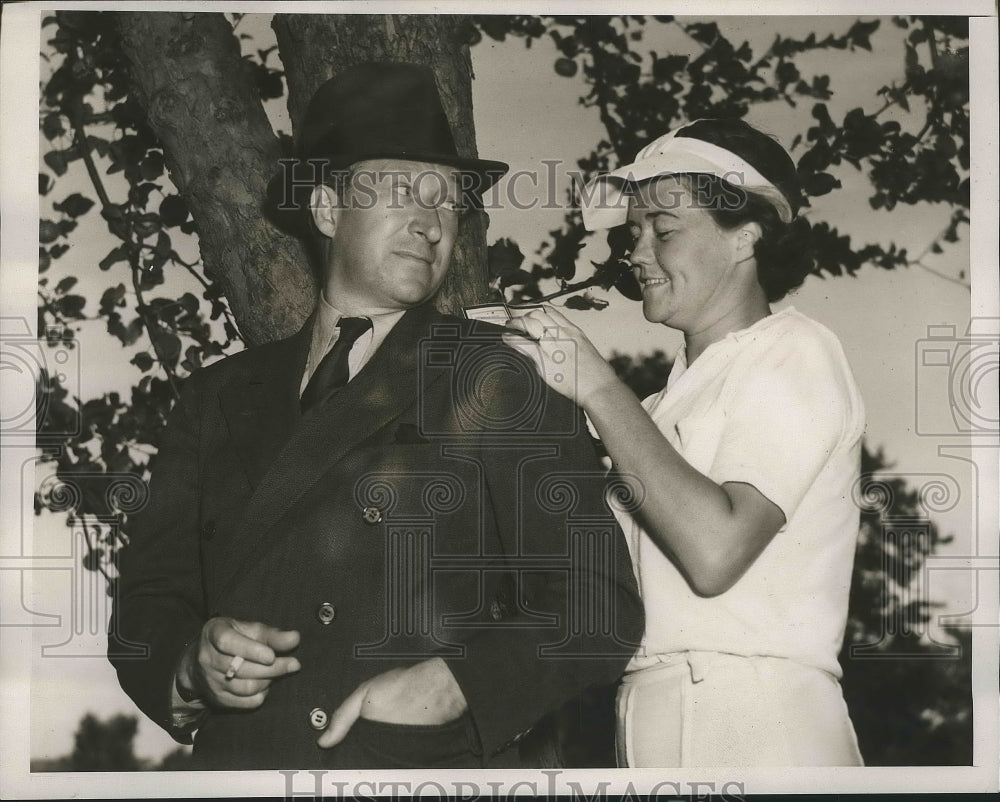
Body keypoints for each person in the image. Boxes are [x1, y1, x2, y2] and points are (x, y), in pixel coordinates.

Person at [109, 62, 643, 770]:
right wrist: (189, 666)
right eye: (399, 192)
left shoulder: (495, 373)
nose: (429, 223)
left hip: (417, 766)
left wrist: (457, 685)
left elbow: (597, 603)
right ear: (327, 211)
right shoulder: (215, 398)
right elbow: (149, 602)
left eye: (448, 201)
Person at [505, 118, 866, 767]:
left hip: (757, 718)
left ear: (745, 235)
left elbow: (716, 549)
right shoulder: (655, 410)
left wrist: (597, 388)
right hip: (646, 714)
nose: (636, 252)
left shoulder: (795, 351)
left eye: (664, 230)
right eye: (633, 233)